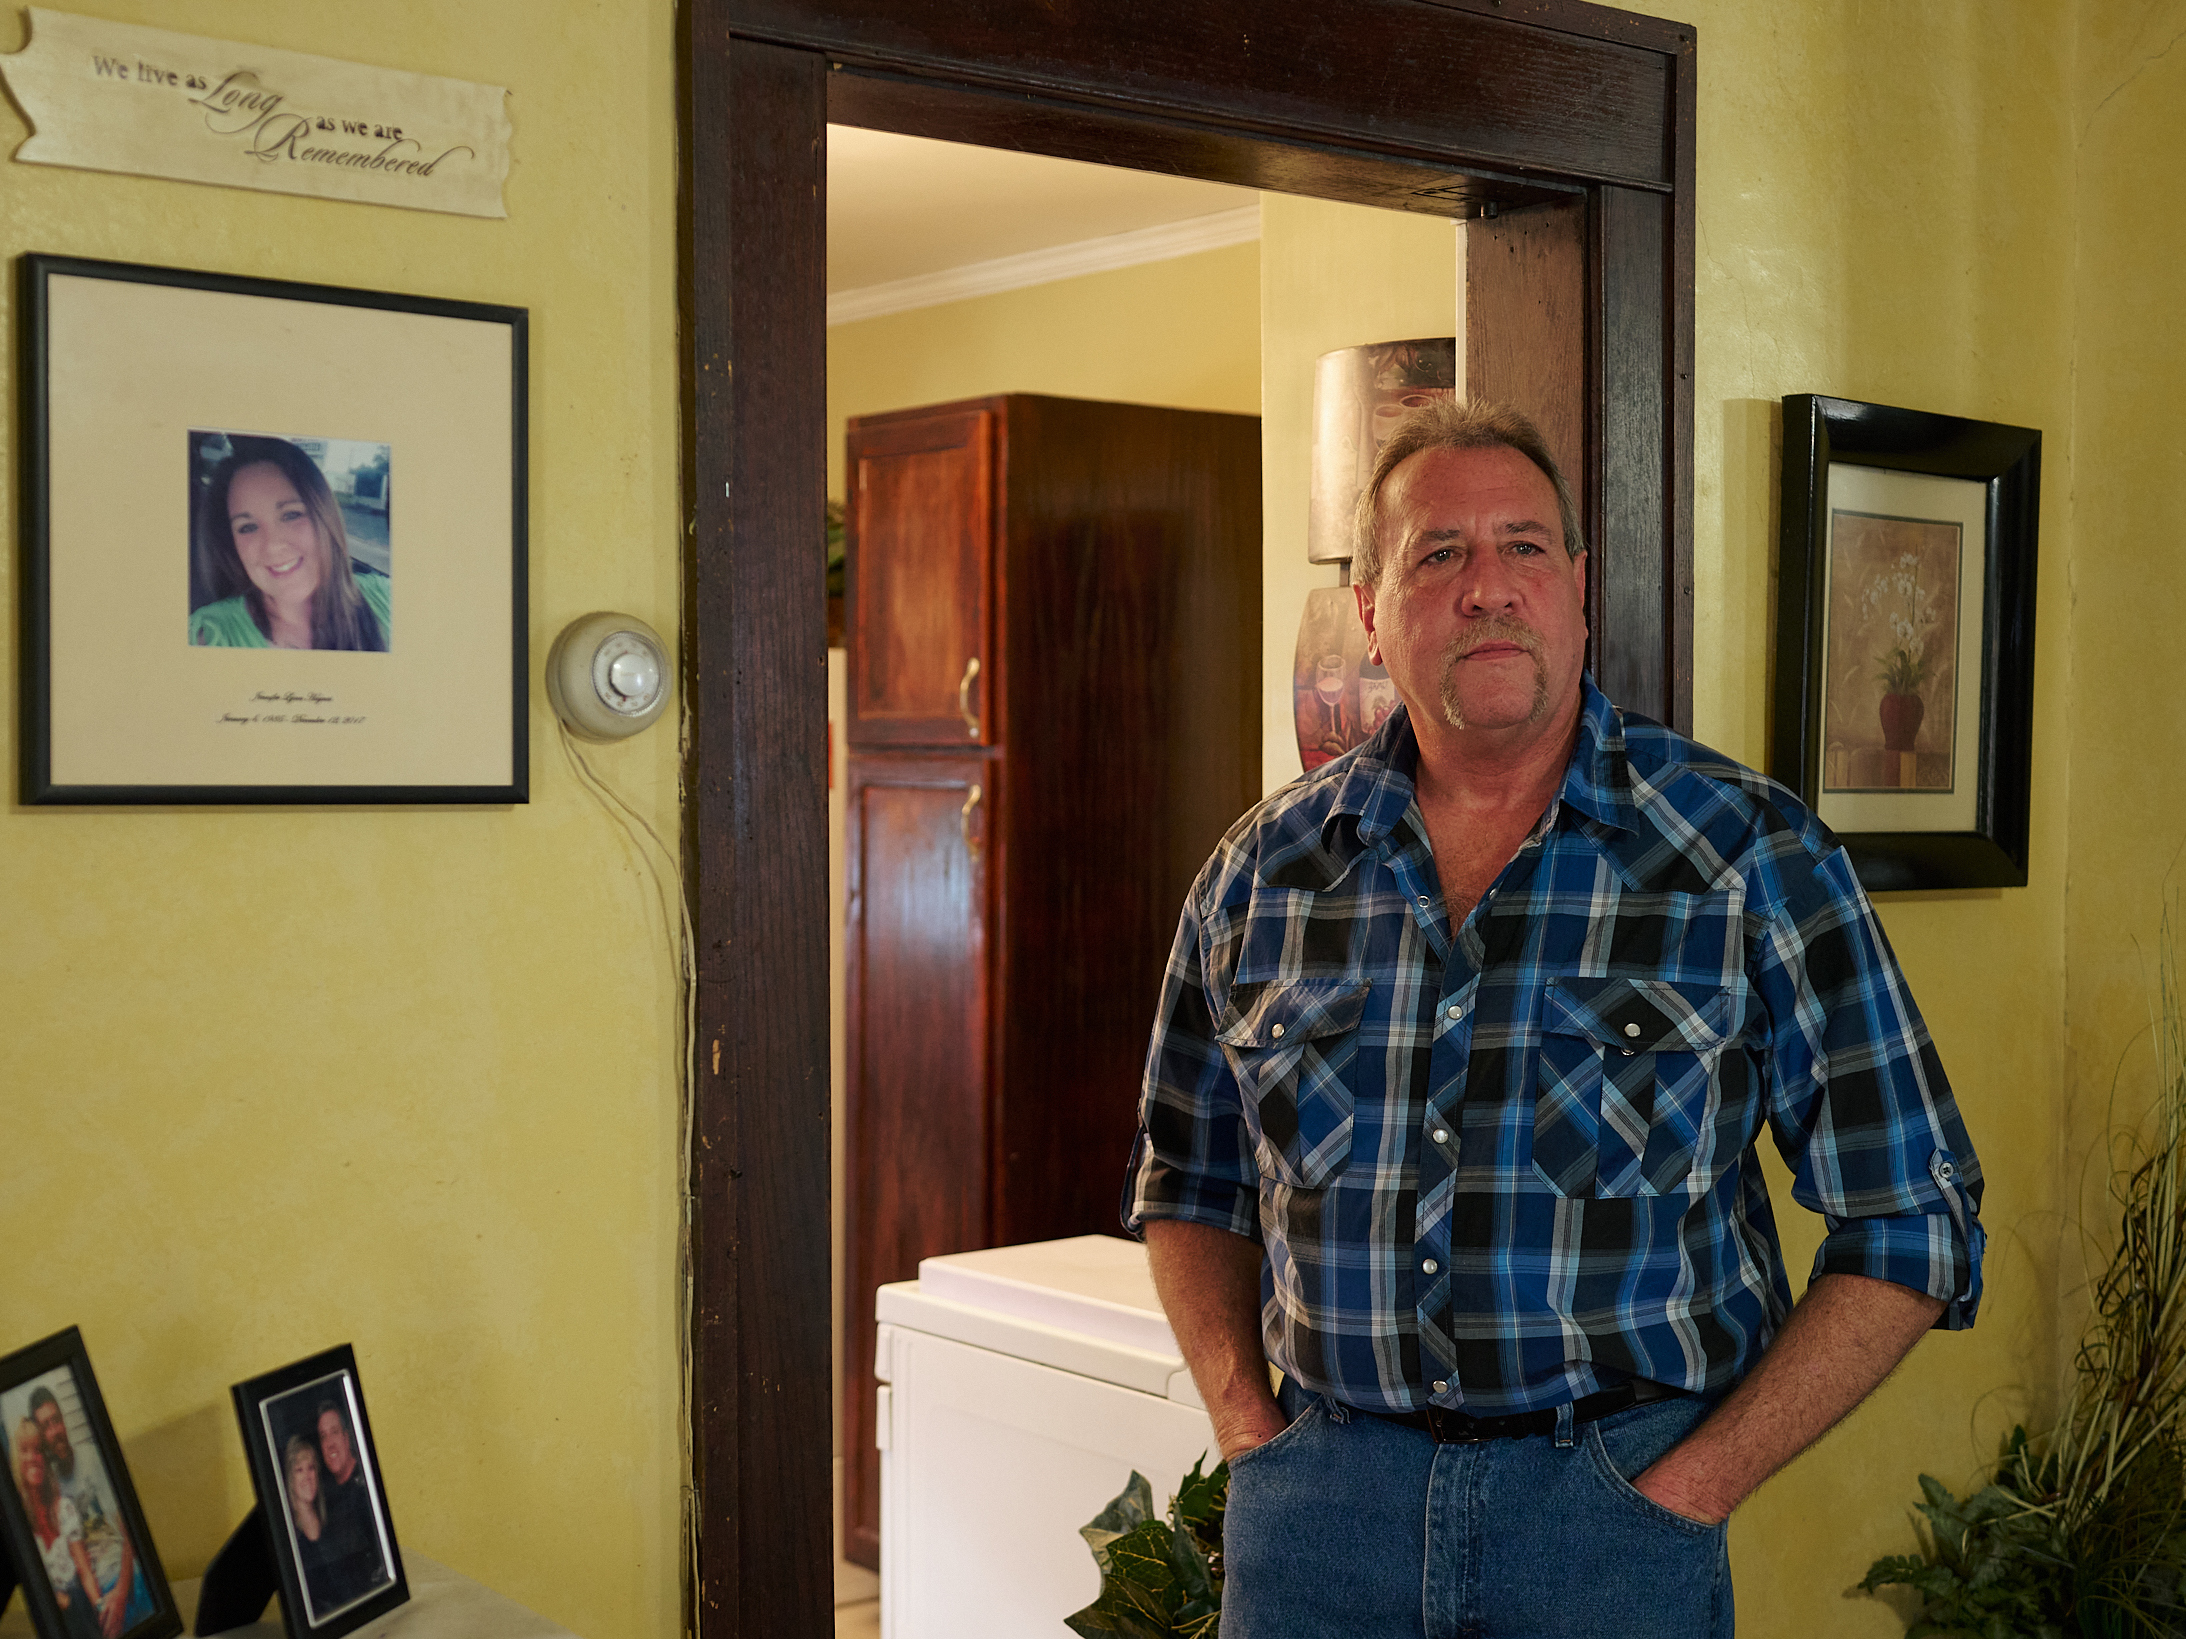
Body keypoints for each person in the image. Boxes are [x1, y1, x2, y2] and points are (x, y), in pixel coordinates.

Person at [1123, 398, 1985, 1637]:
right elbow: (1186, 1181)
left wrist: (1685, 1489)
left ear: (1577, 588)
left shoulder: (1746, 855)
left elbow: (1916, 1218)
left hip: (1610, 1525)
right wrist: (1245, 1430)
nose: (1488, 588)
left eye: (1523, 547)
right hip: (1318, 1524)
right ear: (1369, 604)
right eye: (1438, 554)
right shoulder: (1260, 875)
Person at [188, 436, 391, 651]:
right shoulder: (209, 636)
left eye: (291, 515)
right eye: (247, 527)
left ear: (324, 516)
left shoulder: (388, 599)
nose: (272, 545)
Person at [28, 1389, 150, 1639]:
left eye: (56, 1420)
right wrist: (103, 1603)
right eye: (45, 1426)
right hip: (94, 1593)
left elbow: (130, 1533)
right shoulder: (47, 1484)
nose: (55, 1431)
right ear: (41, 1437)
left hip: (125, 1573)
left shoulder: (92, 1458)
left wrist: (120, 1591)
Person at [12, 1417, 102, 1639]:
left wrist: (101, 1607)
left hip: (81, 1608)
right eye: (25, 1450)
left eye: (39, 1450)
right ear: (16, 1459)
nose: (34, 1458)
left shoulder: (64, 1508)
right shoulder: (16, 1524)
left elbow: (84, 1570)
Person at [309, 1398, 389, 1603]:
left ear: (347, 1437)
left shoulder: (366, 1490)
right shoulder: (325, 1499)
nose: (330, 1443)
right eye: (323, 1436)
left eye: (335, 1432)